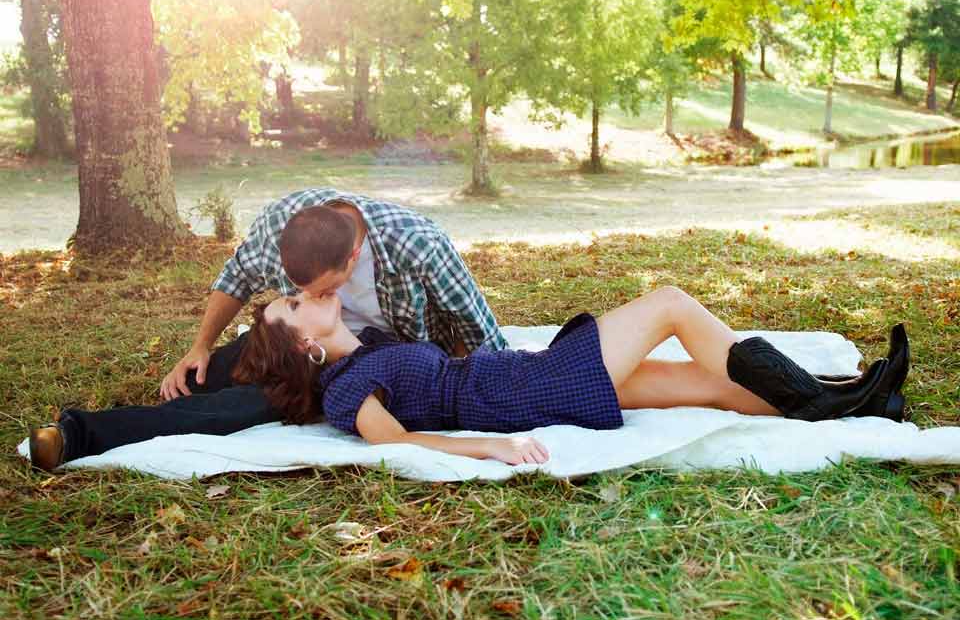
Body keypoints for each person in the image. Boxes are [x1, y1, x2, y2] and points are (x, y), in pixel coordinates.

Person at [30, 287, 909, 470]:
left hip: (531, 375)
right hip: (528, 392)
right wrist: (487, 448)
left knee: (712, 385)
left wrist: (204, 348)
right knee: (674, 303)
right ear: (301, 347)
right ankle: (844, 398)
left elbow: (236, 367)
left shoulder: (362, 343)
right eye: (296, 305)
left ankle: (850, 403)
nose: (310, 296)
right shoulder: (344, 391)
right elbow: (399, 442)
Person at [159, 188, 507, 402]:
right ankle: (161, 409)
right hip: (310, 347)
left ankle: (122, 432)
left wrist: (460, 390)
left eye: (325, 289)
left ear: (354, 256)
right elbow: (236, 278)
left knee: (260, 404)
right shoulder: (279, 221)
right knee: (211, 375)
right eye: (300, 291)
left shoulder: (417, 244)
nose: (313, 297)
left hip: (389, 356)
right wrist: (200, 345)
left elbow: (473, 324)